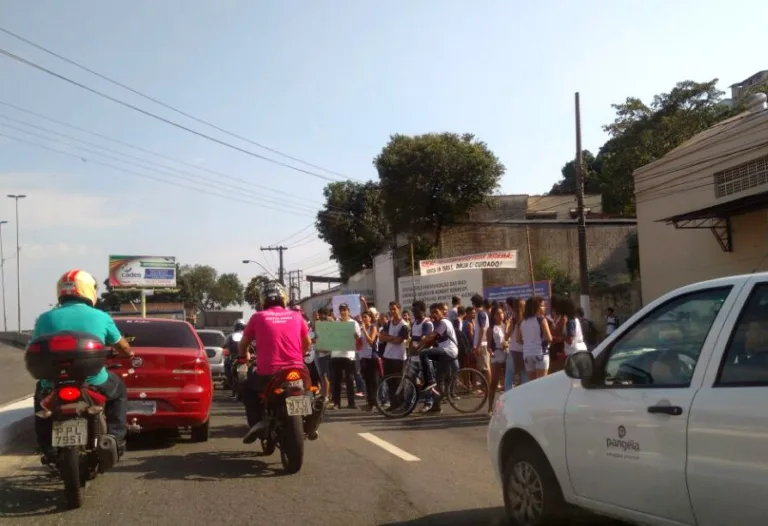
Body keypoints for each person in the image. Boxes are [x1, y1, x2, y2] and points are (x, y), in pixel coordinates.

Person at [32, 269, 134, 463]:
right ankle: (116, 438)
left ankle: (46, 446)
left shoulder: (45, 318)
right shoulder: (101, 317)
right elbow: (122, 346)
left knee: (41, 401)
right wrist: (128, 353)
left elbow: (33, 348)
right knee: (119, 390)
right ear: (88, 290)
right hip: (93, 381)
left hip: (52, 383)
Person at [239, 281, 311, 443]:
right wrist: (298, 356)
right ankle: (311, 416)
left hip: (269, 373)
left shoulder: (257, 317)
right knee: (308, 388)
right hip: (297, 369)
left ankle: (257, 423)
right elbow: (306, 343)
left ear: (263, 300)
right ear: (283, 298)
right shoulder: (297, 316)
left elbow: (243, 344)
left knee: (246, 387)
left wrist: (243, 358)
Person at [415, 303, 460, 410]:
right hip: (443, 352)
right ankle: (436, 405)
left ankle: (429, 380)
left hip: (449, 351)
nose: (433, 315)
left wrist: (420, 343)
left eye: (436, 312)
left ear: (441, 312)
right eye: (432, 313)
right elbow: (431, 342)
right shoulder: (437, 324)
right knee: (438, 379)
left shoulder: (444, 322)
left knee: (424, 354)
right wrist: (418, 348)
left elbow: (432, 335)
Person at [330, 303, 360, 410]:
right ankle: (336, 403)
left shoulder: (354, 323)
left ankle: (351, 403)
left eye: (345, 310)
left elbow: (357, 337)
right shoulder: (335, 322)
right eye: (341, 310)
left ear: (349, 311)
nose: (343, 312)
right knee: (336, 380)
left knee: (349, 380)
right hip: (336, 355)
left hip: (349, 355)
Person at [517, 296, 553, 380]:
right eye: (542, 306)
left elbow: (518, 340)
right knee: (542, 383)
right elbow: (549, 338)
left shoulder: (522, 322)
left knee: (532, 383)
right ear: (537, 307)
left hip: (527, 354)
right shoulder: (541, 320)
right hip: (540, 353)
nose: (545, 308)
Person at [358, 310, 380, 411]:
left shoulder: (373, 327)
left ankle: (377, 402)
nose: (364, 319)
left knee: (374, 381)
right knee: (367, 380)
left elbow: (371, 340)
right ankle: (370, 403)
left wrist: (364, 330)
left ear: (370, 318)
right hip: (364, 357)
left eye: (366, 317)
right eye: (362, 317)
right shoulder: (362, 329)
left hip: (372, 356)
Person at [488, 305, 507, 414]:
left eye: (501, 313)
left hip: (506, 354)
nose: (500, 315)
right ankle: (490, 407)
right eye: (498, 314)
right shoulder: (491, 329)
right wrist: (491, 351)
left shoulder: (506, 326)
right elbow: (489, 346)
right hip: (496, 355)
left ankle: (504, 407)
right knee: (494, 382)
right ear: (494, 316)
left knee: (507, 381)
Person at [470, 294, 491, 387]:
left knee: (486, 368)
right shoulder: (480, 314)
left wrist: (478, 346)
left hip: (482, 345)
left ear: (474, 304)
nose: (472, 306)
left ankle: (489, 387)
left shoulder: (481, 314)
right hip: (481, 344)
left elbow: (482, 330)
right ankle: (486, 387)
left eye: (472, 303)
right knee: (483, 367)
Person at [313, 307, 333, 401]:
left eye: (322, 314)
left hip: (328, 353)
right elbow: (314, 336)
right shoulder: (317, 324)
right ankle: (325, 394)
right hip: (319, 354)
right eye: (319, 314)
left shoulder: (330, 324)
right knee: (322, 375)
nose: (320, 316)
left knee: (326, 375)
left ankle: (327, 395)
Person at [223, 318, 246, 395]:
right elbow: (225, 346)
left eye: (240, 326)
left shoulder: (246, 335)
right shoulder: (230, 336)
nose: (239, 328)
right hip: (234, 357)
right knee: (227, 368)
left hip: (242, 357)